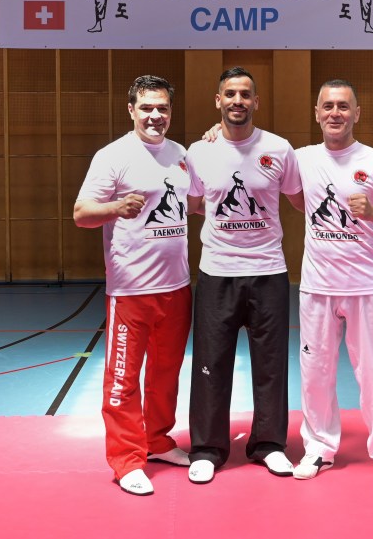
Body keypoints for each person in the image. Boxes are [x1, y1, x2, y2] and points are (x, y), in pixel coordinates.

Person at [73, 74, 193, 496]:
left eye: (162, 108)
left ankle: (157, 440)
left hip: (177, 286)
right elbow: (81, 214)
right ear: (131, 110)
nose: (155, 115)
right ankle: (126, 459)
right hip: (130, 290)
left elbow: (197, 201)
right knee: (123, 378)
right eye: (146, 108)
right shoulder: (113, 156)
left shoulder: (181, 154)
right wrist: (115, 207)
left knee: (166, 373)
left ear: (171, 111)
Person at [184, 66, 304, 484]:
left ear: (256, 102)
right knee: (210, 364)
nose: (238, 101)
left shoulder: (279, 148)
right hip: (217, 272)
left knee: (271, 364)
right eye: (230, 94)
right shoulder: (198, 152)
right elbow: (194, 204)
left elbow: (300, 199)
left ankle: (269, 444)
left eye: (245, 94)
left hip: (269, 271)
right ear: (218, 100)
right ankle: (207, 448)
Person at [291, 78, 373, 485]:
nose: (335, 113)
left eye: (343, 106)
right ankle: (318, 447)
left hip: (367, 286)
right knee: (315, 372)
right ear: (317, 113)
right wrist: (216, 133)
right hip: (318, 287)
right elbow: (259, 161)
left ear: (356, 113)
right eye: (328, 106)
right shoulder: (302, 158)